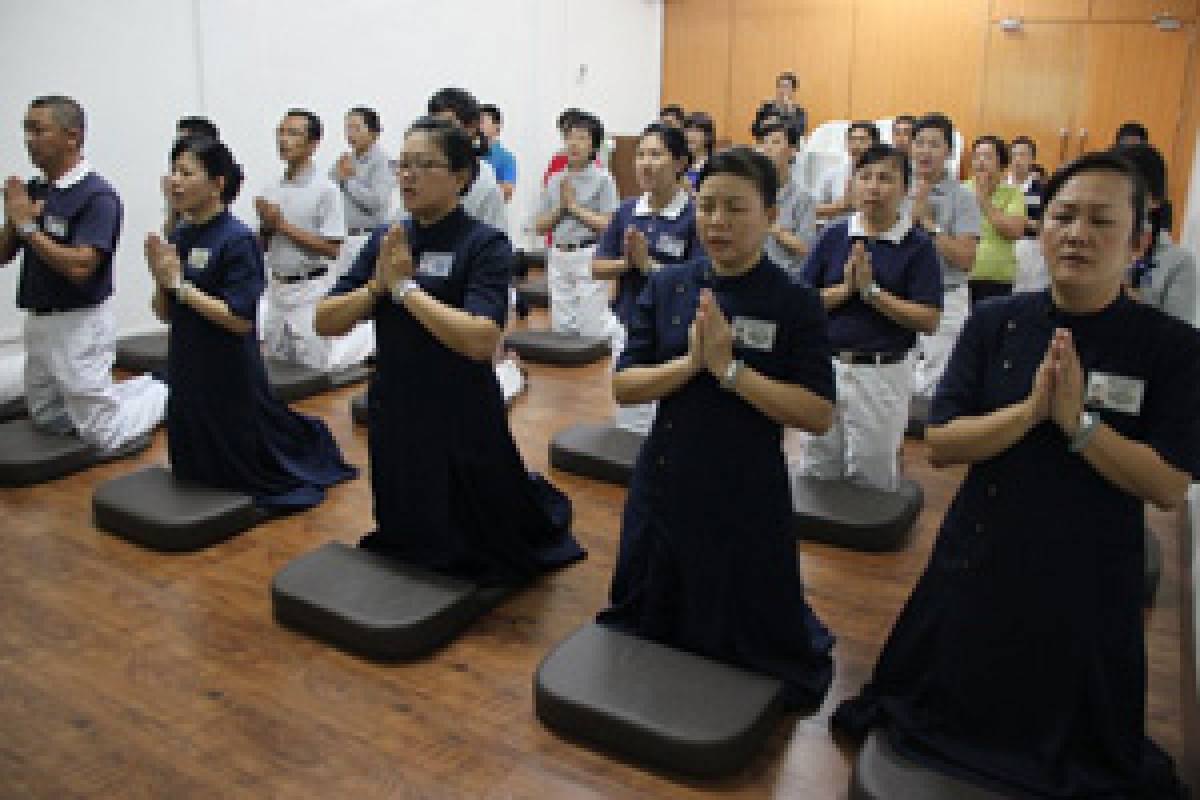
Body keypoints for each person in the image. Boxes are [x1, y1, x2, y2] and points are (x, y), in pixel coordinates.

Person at [834, 151, 1199, 799]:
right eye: (1062, 216)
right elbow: (943, 444)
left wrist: (1079, 425)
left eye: (1100, 220)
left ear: (1139, 240)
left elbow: (1168, 485)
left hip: (1089, 570)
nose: (1078, 233)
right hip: (984, 550)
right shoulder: (997, 322)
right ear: (1041, 226)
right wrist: (1034, 413)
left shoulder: (1170, 348)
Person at [597, 146, 836, 709]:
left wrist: (731, 371)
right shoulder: (668, 285)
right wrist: (692, 365)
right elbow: (625, 385)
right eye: (707, 207)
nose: (717, 222)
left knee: (744, 620)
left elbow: (817, 413)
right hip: (667, 473)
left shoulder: (794, 300)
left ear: (770, 216)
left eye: (736, 208)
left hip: (747, 483)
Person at [315, 117, 584, 584]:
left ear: (460, 177)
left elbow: (481, 340)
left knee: (477, 539)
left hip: (459, 411)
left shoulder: (484, 244)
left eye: (425, 165)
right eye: (404, 165)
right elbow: (326, 319)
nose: (408, 176)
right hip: (397, 404)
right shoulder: (387, 240)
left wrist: (404, 290)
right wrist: (377, 286)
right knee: (406, 527)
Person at [145, 135, 355, 509]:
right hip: (187, 359)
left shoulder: (237, 239)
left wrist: (179, 285)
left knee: (251, 462)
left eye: (186, 172)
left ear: (217, 183)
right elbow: (165, 312)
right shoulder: (181, 234)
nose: (175, 180)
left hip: (227, 367)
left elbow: (239, 321)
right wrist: (163, 281)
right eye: (173, 171)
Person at [0, 95, 166, 452]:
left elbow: (81, 267)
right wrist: (13, 221)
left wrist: (28, 227)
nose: (29, 139)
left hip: (79, 323)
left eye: (38, 130)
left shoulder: (97, 196)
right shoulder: (36, 189)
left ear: (72, 137)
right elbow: (3, 254)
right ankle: (137, 388)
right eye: (26, 130)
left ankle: (166, 392)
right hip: (40, 321)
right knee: (46, 417)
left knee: (104, 436)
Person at [793, 144, 941, 491]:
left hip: (882, 373)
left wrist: (872, 293)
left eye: (885, 179)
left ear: (904, 189)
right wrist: (846, 290)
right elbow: (802, 303)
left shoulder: (917, 247)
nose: (873, 187)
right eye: (865, 177)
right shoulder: (833, 235)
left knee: (872, 471)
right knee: (817, 464)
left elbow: (929, 318)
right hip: (826, 367)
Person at [592, 122, 701, 434]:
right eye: (640, 154)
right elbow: (597, 267)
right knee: (631, 421)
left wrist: (647, 265)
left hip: (676, 334)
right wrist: (628, 263)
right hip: (629, 324)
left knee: (673, 421)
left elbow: (698, 279)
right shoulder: (627, 210)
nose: (645, 163)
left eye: (656, 155)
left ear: (680, 163)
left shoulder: (694, 216)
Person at [256, 109, 371, 372]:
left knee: (313, 371)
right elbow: (263, 244)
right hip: (277, 288)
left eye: (293, 133)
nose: (283, 140)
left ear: (313, 144)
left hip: (310, 289)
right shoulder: (270, 188)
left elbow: (332, 248)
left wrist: (281, 225)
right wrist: (266, 228)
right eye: (281, 132)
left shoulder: (325, 189)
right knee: (275, 367)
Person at [907, 112, 980, 403]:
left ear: (949, 151)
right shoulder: (898, 189)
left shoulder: (962, 198)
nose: (925, 151)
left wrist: (929, 226)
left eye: (934, 144)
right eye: (920, 143)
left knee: (937, 380)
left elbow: (965, 258)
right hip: (901, 295)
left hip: (945, 297)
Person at [534, 111, 618, 338]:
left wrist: (573, 207)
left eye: (582, 138)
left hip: (588, 253)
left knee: (592, 328)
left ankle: (621, 336)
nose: (574, 143)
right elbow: (540, 226)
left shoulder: (603, 179)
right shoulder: (555, 180)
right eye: (570, 137)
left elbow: (609, 225)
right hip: (559, 254)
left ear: (594, 146)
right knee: (562, 328)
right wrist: (562, 208)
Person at [1116, 143, 1197, 326]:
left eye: (1127, 190)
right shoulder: (1089, 245)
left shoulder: (1178, 263)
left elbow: (1179, 340)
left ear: (1155, 200)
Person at [426, 88, 508, 233]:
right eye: (432, 125)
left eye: (447, 125)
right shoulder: (422, 172)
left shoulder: (485, 184)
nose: (438, 133)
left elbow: (495, 245)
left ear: (472, 127)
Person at [965, 135, 1027, 306]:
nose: (980, 161)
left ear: (1002, 163)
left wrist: (983, 200)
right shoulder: (960, 191)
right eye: (976, 156)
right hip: (961, 277)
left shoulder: (1013, 193)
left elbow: (1014, 231)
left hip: (998, 279)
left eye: (987, 156)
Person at [755, 119, 817, 274]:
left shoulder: (803, 198)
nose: (767, 149)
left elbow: (807, 248)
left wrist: (775, 230)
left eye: (775, 142)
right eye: (764, 143)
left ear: (792, 150)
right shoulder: (751, 193)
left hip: (787, 279)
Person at [331, 106, 394, 237]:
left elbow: (377, 201)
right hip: (342, 235)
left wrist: (347, 180)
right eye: (348, 128)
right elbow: (328, 192)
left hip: (367, 236)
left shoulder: (383, 162)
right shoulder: (346, 160)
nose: (350, 134)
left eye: (356, 128)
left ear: (373, 132)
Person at [815, 121, 880, 225]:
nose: (856, 145)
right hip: (838, 233)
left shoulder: (884, 176)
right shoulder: (833, 174)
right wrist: (838, 206)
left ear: (876, 144)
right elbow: (812, 210)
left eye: (862, 140)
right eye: (852, 140)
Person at [1008, 136, 1050, 292]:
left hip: (1031, 249)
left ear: (1032, 159)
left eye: (1022, 155)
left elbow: (1048, 224)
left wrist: (1024, 221)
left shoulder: (1042, 191)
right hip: (1002, 248)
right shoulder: (999, 187)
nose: (1017, 160)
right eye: (1014, 155)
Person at [480, 104, 517, 203]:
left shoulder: (506, 158)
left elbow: (507, 193)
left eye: (482, 122)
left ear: (497, 127)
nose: (477, 126)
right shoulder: (468, 151)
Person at [755, 71, 807, 138]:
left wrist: (778, 120)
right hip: (767, 145)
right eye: (780, 86)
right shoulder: (767, 107)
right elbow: (755, 131)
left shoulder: (799, 112)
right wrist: (765, 124)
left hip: (788, 147)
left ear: (793, 91)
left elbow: (799, 134)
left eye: (786, 86)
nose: (782, 90)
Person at [682, 112, 715, 189]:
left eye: (696, 130)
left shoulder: (715, 166)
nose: (690, 135)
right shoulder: (680, 165)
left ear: (708, 137)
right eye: (687, 130)